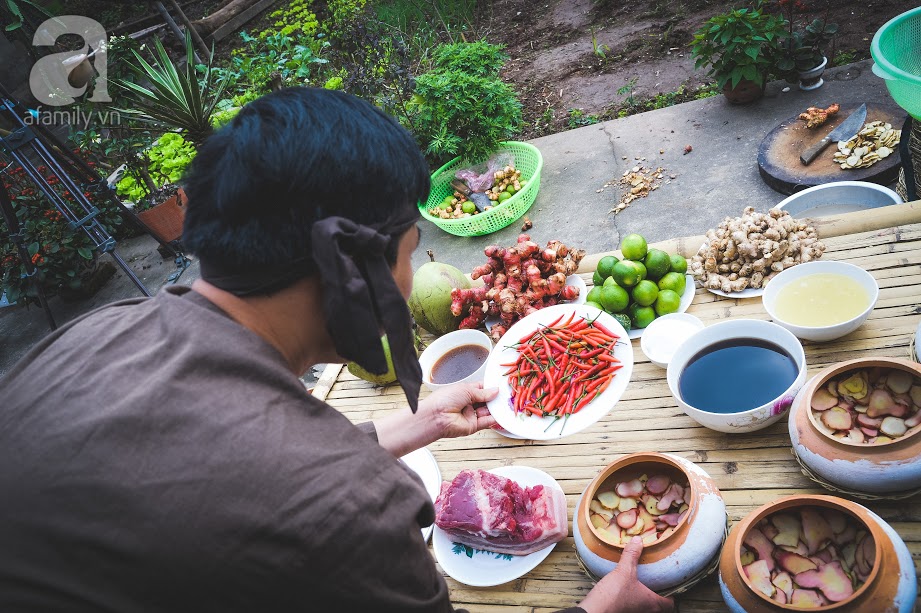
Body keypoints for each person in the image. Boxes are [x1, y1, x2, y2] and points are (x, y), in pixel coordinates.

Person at [0, 88, 673, 613]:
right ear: (357, 266)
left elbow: (204, 470)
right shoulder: (350, 508)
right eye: (411, 250)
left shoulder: (90, 335)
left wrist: (420, 421)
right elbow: (284, 487)